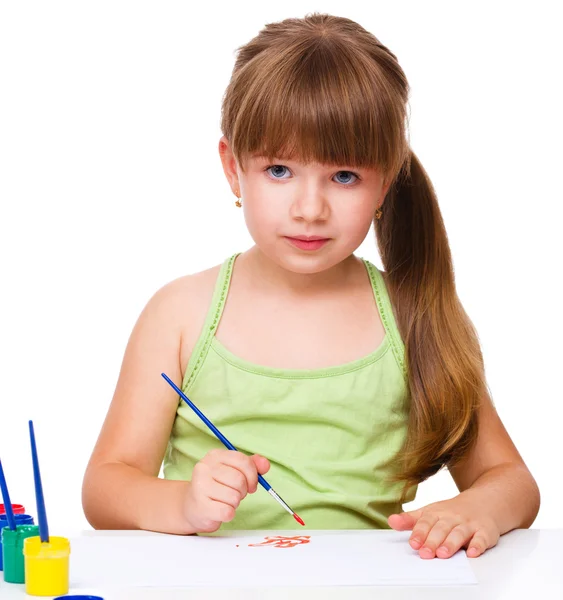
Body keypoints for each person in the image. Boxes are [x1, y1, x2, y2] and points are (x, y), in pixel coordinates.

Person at [82, 12, 540, 560]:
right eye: (279, 170)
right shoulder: (179, 314)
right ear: (233, 168)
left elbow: (511, 480)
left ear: (384, 182)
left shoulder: (412, 314)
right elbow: (105, 489)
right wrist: (182, 503)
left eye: (344, 176)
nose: (309, 209)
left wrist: (479, 508)